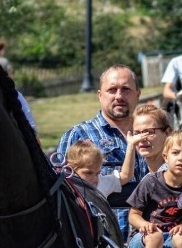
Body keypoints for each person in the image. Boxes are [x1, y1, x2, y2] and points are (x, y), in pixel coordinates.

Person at [58, 65, 147, 239]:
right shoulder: (78, 136)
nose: (119, 96)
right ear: (100, 95)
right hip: (100, 242)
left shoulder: (153, 133)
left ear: (138, 93)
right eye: (112, 90)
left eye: (126, 90)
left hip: (150, 237)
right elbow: (64, 192)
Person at [64, 138, 138, 197]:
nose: (94, 179)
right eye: (88, 173)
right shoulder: (65, 186)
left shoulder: (101, 183)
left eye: (97, 173)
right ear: (71, 168)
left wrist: (131, 146)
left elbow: (126, 175)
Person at [132, 104, 172, 173]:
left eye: (149, 132)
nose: (142, 139)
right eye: (137, 133)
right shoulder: (132, 170)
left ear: (167, 133)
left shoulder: (178, 174)